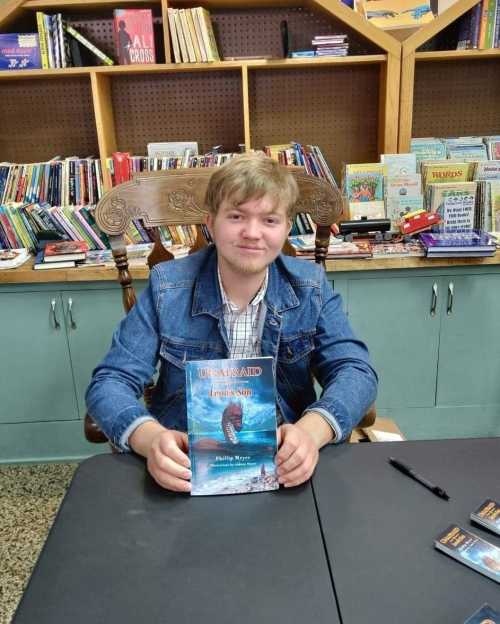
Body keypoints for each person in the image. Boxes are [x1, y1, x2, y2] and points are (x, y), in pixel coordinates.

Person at [86, 153, 378, 492]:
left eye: (270, 220)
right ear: (210, 223)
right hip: (188, 464)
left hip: (285, 462)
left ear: (286, 227)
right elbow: (110, 381)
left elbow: (356, 370)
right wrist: (150, 439)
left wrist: (312, 432)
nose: (252, 233)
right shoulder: (167, 287)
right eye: (236, 216)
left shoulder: (310, 285)